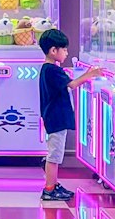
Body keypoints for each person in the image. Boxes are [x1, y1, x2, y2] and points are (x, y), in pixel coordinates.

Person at [38, 28, 102, 203]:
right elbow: (72, 85)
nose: (66, 53)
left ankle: (54, 184)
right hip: (56, 119)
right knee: (54, 156)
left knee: (55, 153)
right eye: (64, 49)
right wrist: (91, 74)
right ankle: (49, 189)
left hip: (53, 117)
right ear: (53, 50)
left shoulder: (48, 69)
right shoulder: (52, 70)